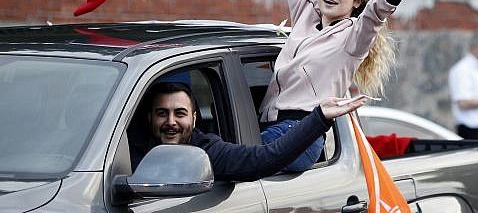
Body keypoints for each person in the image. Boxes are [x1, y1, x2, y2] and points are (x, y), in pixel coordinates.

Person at [257, 0, 451, 171]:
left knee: (232, 161)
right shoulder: (305, 12)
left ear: (356, 1)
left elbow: (375, 13)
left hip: (302, 134)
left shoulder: (353, 38)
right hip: (269, 125)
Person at [130, 79, 365, 182]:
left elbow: (262, 159)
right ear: (150, 117)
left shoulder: (206, 151)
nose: (171, 121)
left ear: (193, 118)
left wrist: (319, 118)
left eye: (179, 113)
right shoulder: (119, 151)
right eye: (162, 113)